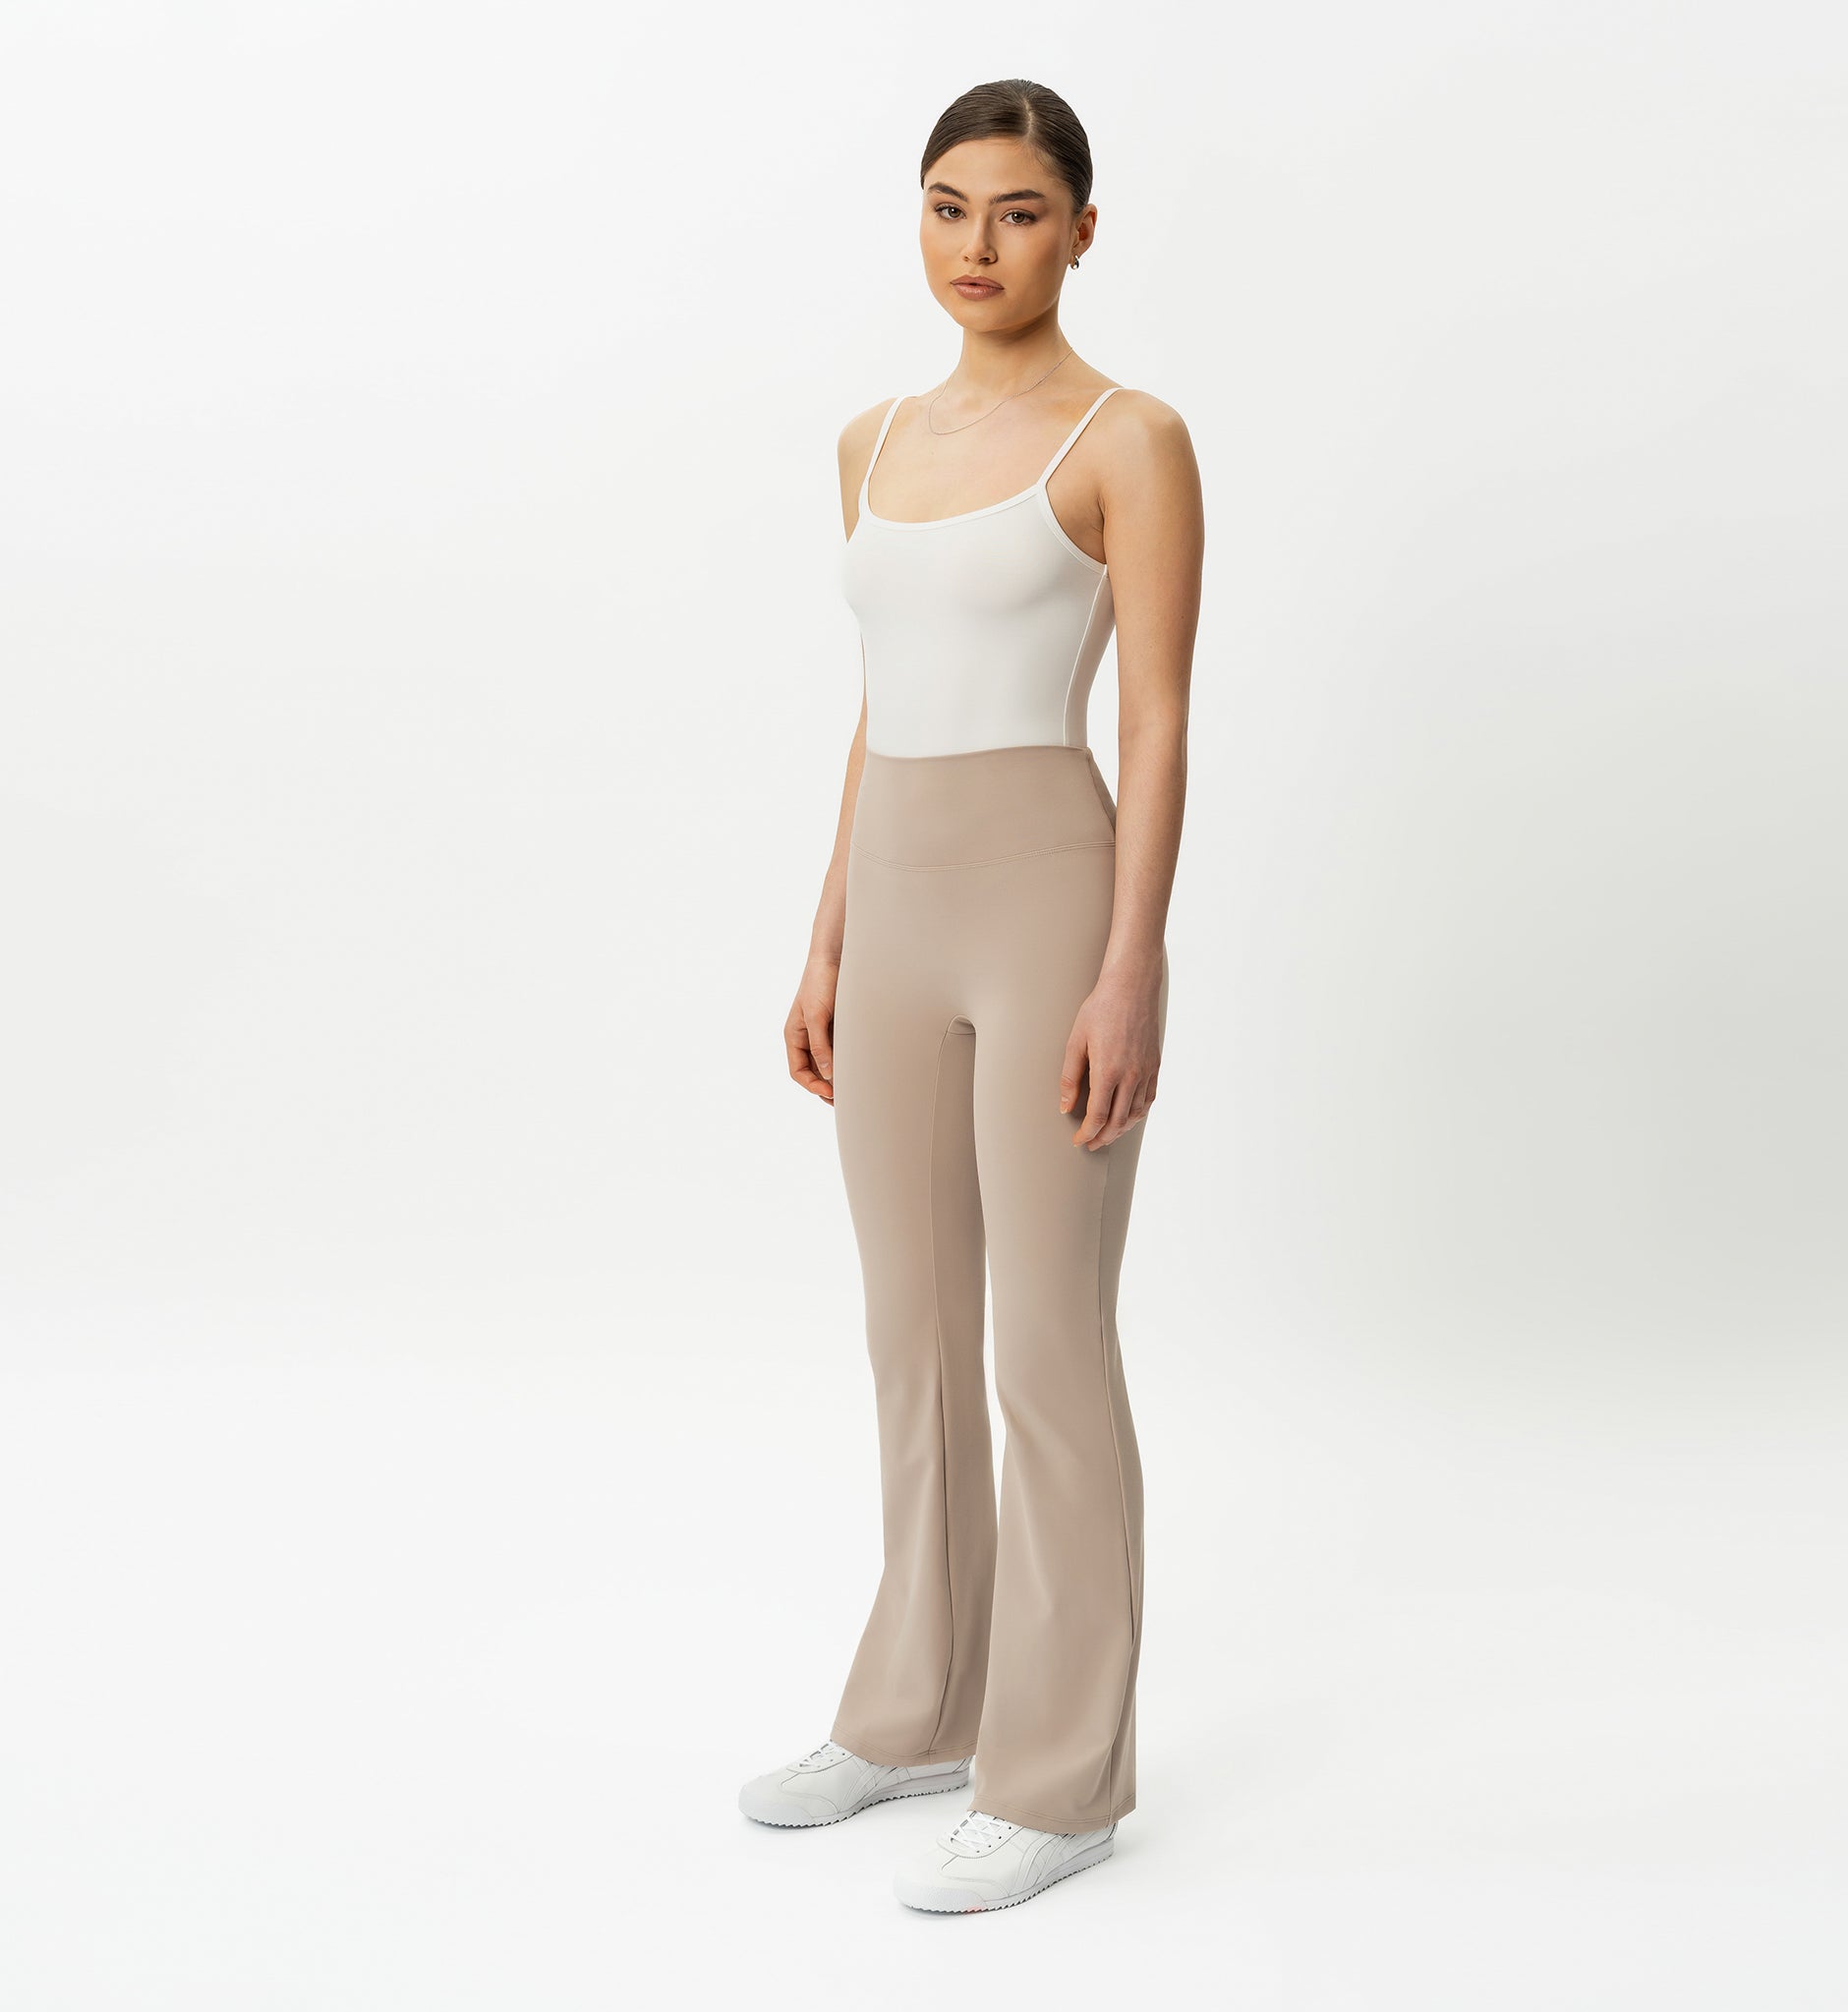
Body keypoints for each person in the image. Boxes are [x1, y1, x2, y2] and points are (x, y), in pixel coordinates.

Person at [740, 77, 1203, 1914]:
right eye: (947, 208)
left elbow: (1156, 719)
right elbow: (880, 708)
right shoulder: (869, 442)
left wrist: (1130, 966)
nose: (977, 246)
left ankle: (1064, 1776)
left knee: (1047, 1345)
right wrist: (829, 936)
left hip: (1047, 903)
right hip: (901, 901)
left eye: (1017, 211)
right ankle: (920, 1705)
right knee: (911, 1329)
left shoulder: (1129, 437)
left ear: (1081, 228)